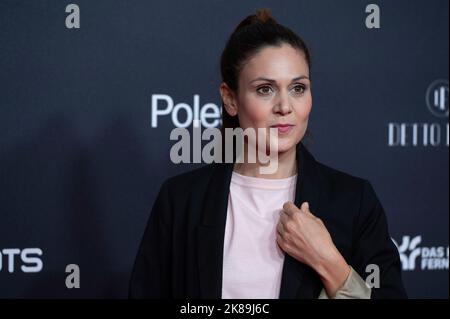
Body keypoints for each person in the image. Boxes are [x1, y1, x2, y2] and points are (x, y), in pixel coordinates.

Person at [129, 8, 407, 299]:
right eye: (265, 89)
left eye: (298, 88)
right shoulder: (182, 201)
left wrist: (328, 262)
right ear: (230, 99)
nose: (285, 106)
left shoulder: (354, 202)